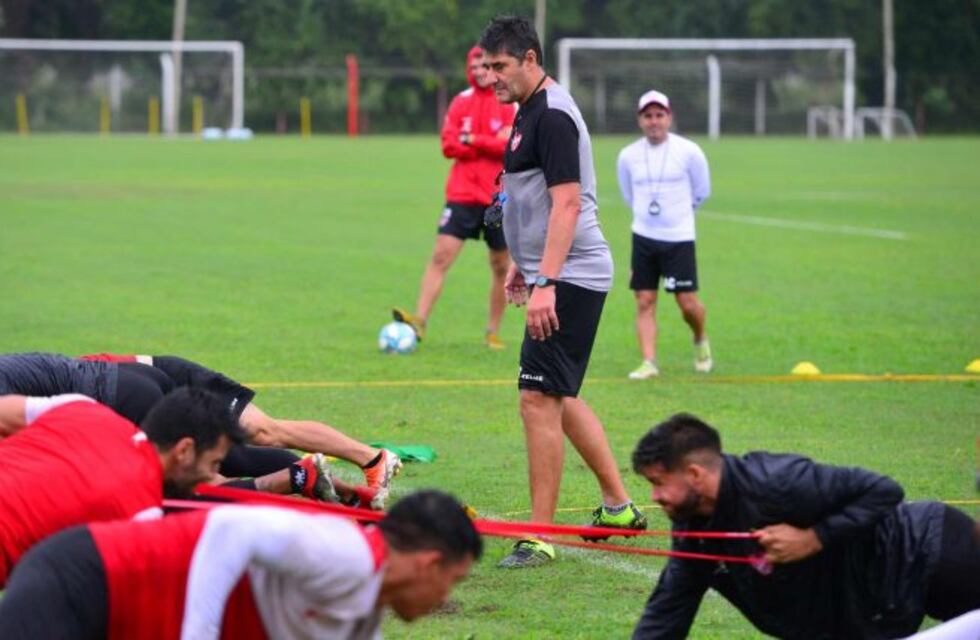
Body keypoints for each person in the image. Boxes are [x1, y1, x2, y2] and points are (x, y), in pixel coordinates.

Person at [479, 15, 646, 569]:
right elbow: (533, 198)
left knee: (537, 399)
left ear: (530, 59)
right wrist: (523, 265)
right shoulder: (529, 110)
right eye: (487, 66)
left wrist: (546, 281)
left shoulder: (550, 115)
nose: (492, 76)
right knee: (559, 394)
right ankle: (618, 507)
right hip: (555, 271)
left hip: (571, 275)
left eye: (500, 66)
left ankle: (539, 535)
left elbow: (568, 203)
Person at [630, 413, 980, 638]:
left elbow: (883, 491)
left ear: (695, 474)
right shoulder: (694, 531)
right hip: (870, 602)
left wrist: (812, 539)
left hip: (931, 548)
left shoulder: (777, 481)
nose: (655, 496)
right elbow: (668, 609)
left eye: (659, 482)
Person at [0, 490, 482, 639]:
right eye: (453, 581)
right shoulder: (346, 553)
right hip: (84, 579)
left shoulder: (361, 619)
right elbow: (233, 529)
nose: (446, 598)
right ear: (429, 563)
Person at [80, 353, 403, 507]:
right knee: (224, 462)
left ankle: (373, 459)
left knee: (262, 432)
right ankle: (338, 492)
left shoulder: (70, 379)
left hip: (171, 378)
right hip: (149, 401)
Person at [0, 387, 244, 587]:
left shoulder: (81, 408)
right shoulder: (142, 517)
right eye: (213, 464)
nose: (211, 476)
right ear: (184, 451)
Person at [393, 46, 517, 349]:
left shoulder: (508, 103)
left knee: (501, 265)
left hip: (497, 198)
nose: (478, 72)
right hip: (461, 194)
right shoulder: (461, 102)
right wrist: (486, 142)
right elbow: (448, 146)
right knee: (440, 256)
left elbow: (508, 147)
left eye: (483, 66)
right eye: (473, 67)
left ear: (493, 67)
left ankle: (492, 332)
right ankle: (419, 322)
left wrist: (471, 139)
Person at [617, 90, 713, 379]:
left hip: (679, 238)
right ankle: (649, 361)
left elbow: (702, 191)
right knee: (644, 300)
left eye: (659, 115)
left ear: (669, 117)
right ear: (640, 120)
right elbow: (628, 194)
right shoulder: (628, 156)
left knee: (687, 303)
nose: (654, 121)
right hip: (643, 237)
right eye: (648, 116)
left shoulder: (689, 151)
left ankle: (700, 339)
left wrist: (678, 215)